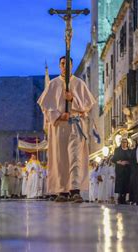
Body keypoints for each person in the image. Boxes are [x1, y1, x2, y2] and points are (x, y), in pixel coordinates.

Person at [37, 56, 96, 203]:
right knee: (60, 158)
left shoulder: (79, 84)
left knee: (74, 157)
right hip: (59, 127)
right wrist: (58, 115)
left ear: (71, 65)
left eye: (67, 64)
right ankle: (62, 190)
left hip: (75, 125)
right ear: (59, 66)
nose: (65, 66)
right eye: (62, 64)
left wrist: (72, 100)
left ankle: (75, 190)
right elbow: (46, 107)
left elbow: (87, 106)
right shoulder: (53, 84)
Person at [111, 136, 132, 204]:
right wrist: (119, 162)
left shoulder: (130, 151)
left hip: (127, 169)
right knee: (120, 183)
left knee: (126, 183)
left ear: (127, 143)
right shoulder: (117, 150)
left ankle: (125, 197)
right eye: (123, 142)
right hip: (120, 169)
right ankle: (120, 196)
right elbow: (113, 159)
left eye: (125, 142)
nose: (124, 143)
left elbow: (132, 159)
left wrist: (128, 162)